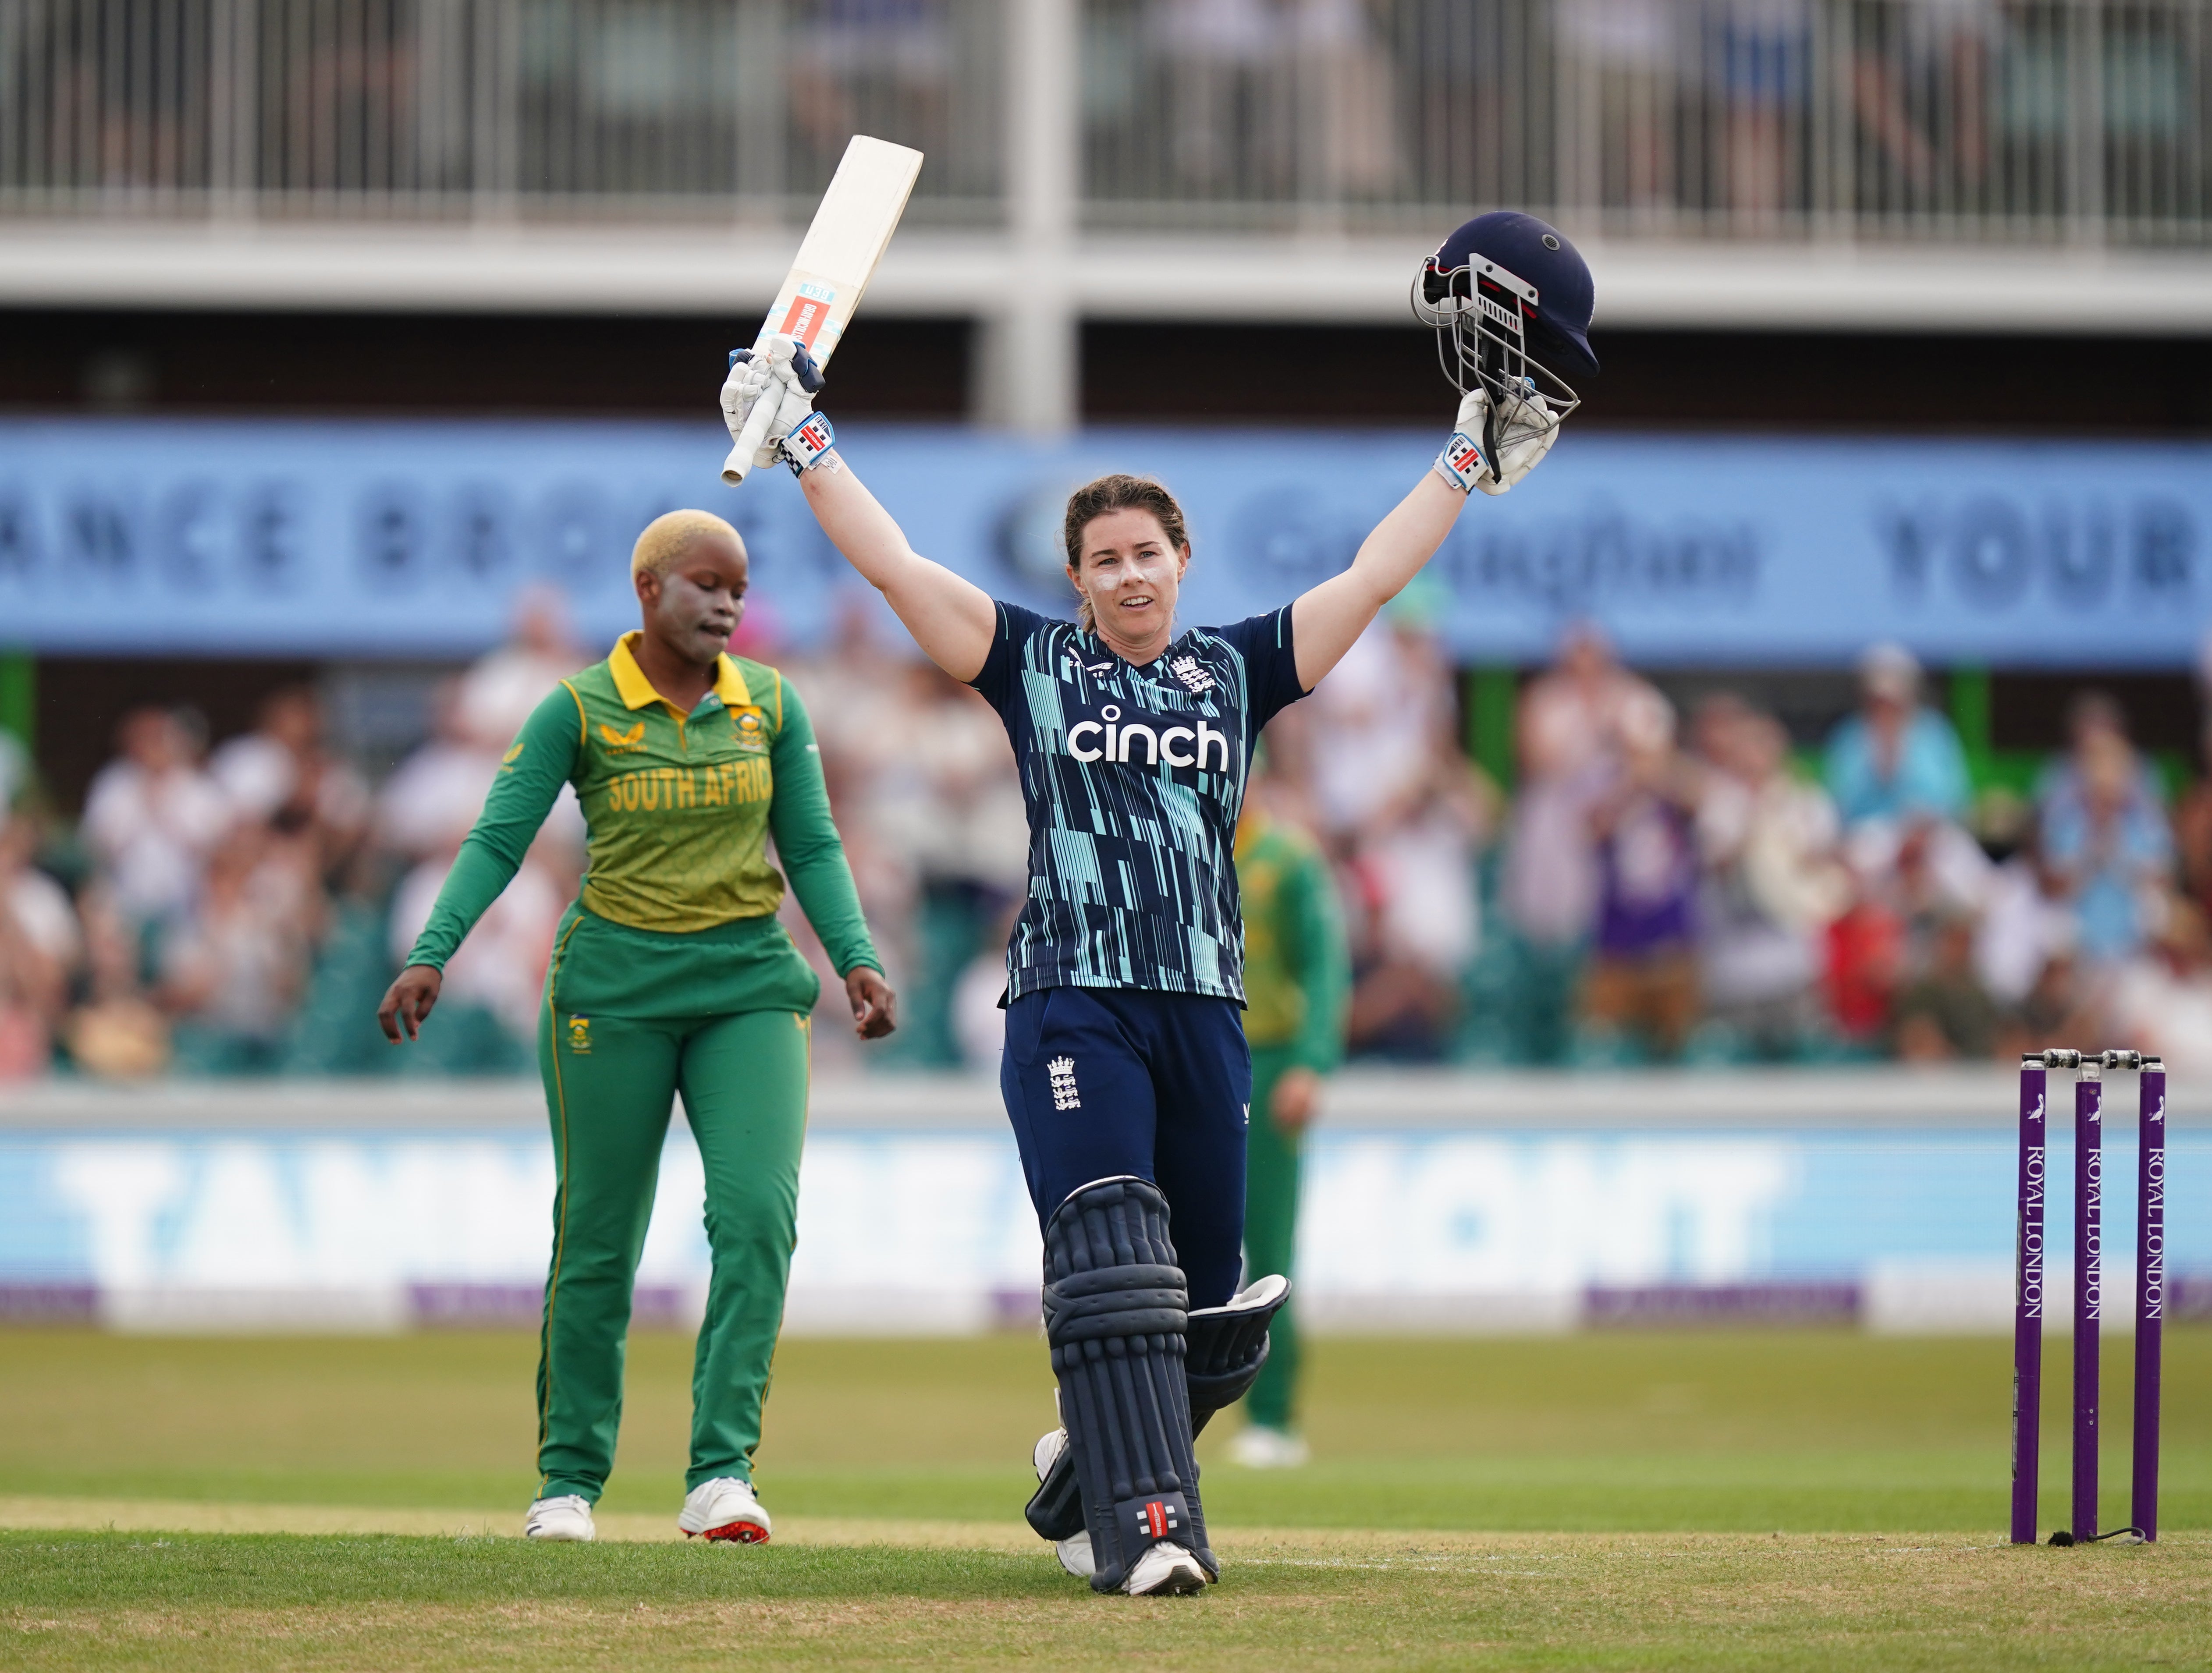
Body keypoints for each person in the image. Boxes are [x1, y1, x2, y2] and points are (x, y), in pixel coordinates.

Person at [724, 208, 1590, 1594]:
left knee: (1216, 1315)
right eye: (1102, 558)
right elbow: (894, 567)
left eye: (1147, 552)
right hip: (1074, 999)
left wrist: (1463, 461)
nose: (1126, 572)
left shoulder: (1238, 672)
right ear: (1075, 579)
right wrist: (804, 440)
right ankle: (1146, 1535)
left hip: (1207, 1010)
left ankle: (1081, 1474)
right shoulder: (1029, 664)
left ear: (1180, 561)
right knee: (1112, 1258)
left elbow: (1369, 577)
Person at [376, 510, 896, 1548]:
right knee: (599, 1243)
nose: (727, 605)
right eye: (707, 584)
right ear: (648, 590)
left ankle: (721, 1475)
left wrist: (856, 958)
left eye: (740, 590)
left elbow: (816, 845)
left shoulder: (772, 708)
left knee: (756, 1220)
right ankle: (568, 1485)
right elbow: (497, 839)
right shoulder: (577, 708)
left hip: (749, 985)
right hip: (608, 996)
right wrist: (434, 948)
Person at [1228, 757, 1348, 1469]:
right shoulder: (1179, 849)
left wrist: (1309, 1062)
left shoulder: (1289, 859)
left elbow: (1326, 967)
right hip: (1195, 1059)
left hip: (1268, 1060)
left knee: (1267, 1249)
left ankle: (1273, 1416)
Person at [1822, 642, 1969, 829]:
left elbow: (1956, 799)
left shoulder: (1935, 733)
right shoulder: (1849, 737)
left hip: (1931, 837)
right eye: (1878, 701)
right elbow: (1841, 805)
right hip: (1867, 838)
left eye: (1893, 702)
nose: (1886, 709)